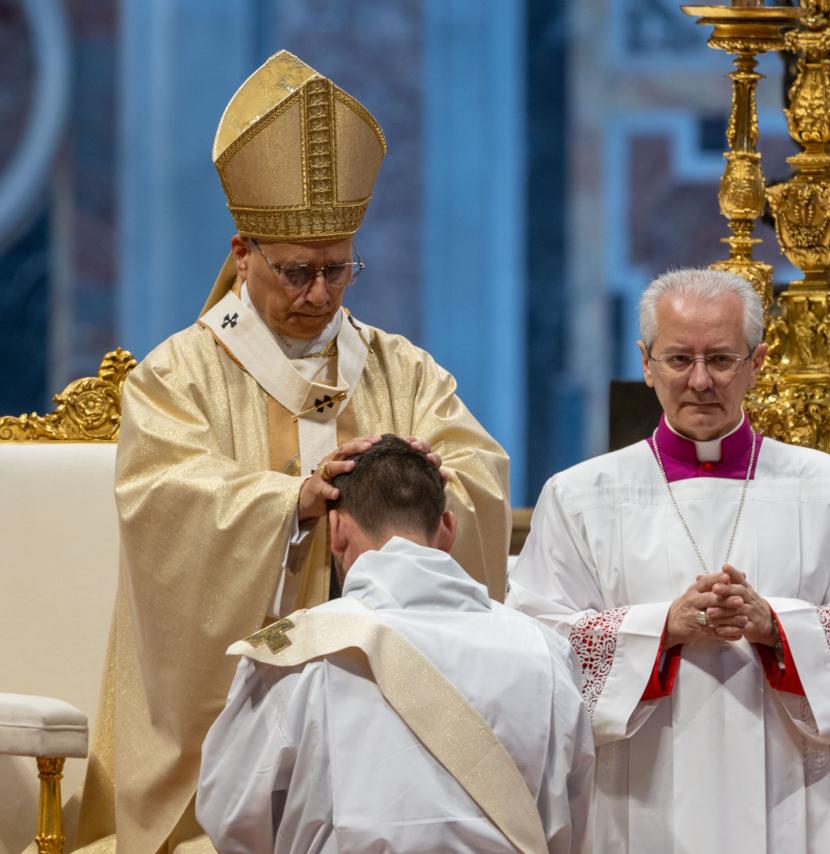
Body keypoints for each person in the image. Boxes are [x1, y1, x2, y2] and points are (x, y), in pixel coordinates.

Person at [76, 52, 510, 852]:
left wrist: (425, 484)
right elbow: (162, 501)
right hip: (223, 723)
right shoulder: (179, 375)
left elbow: (480, 471)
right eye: (296, 272)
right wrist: (291, 503)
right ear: (243, 254)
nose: (319, 295)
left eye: (338, 270)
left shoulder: (400, 368)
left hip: (386, 724)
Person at [507, 268, 830, 853]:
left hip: (783, 792)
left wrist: (775, 627)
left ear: (757, 361)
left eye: (722, 359)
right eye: (679, 359)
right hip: (636, 798)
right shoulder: (579, 496)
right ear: (646, 362)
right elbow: (535, 643)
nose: (700, 381)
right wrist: (662, 630)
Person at [197, 436, 593, 853]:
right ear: (448, 529)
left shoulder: (294, 651)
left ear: (335, 532)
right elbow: (573, 813)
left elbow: (232, 815)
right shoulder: (543, 650)